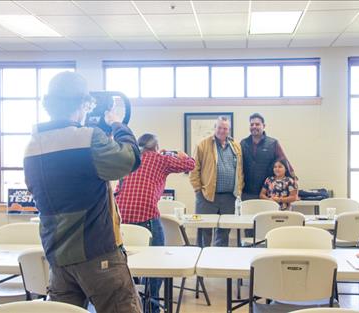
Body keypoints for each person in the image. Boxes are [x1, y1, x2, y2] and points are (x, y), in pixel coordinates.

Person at [24, 71, 143, 312]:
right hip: (98, 254)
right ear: (81, 104)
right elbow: (130, 159)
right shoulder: (88, 139)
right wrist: (118, 123)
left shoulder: (32, 146)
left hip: (58, 258)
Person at [115, 133, 195, 313]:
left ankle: (133, 302)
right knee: (157, 262)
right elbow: (190, 165)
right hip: (145, 215)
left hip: (121, 216)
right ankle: (151, 307)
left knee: (127, 261)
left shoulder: (131, 159)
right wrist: (182, 155)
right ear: (156, 147)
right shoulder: (160, 159)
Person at [189, 116, 244, 247]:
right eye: (219, 127)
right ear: (215, 128)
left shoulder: (235, 146)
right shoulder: (203, 144)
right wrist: (198, 190)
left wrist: (239, 188)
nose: (222, 131)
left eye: (225, 128)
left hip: (229, 197)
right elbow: (194, 169)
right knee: (204, 230)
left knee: (224, 231)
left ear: (229, 130)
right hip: (207, 196)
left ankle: (219, 259)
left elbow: (240, 169)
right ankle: (202, 259)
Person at [240, 113, 296, 201]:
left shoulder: (273, 143)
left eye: (257, 124)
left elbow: (285, 162)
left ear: (264, 126)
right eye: (252, 124)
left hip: (268, 193)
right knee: (247, 215)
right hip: (247, 192)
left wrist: (294, 183)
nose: (254, 126)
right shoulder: (243, 143)